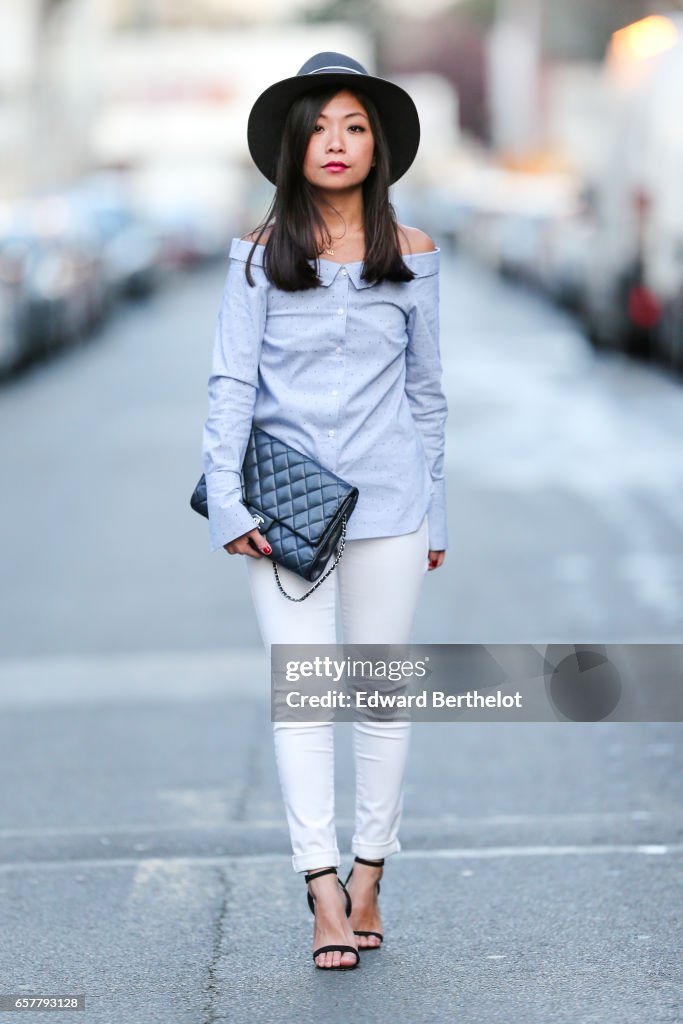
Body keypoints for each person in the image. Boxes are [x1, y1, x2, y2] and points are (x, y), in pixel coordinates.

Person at [201, 51, 448, 970]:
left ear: (377, 144)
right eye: (318, 128)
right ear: (292, 148)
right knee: (304, 700)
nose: (335, 143)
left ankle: (370, 874)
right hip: (285, 515)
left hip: (392, 506)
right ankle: (320, 892)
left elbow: (427, 397)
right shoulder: (261, 256)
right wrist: (226, 500)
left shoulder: (414, 255)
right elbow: (231, 383)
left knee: (380, 700)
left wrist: (439, 515)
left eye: (353, 126)